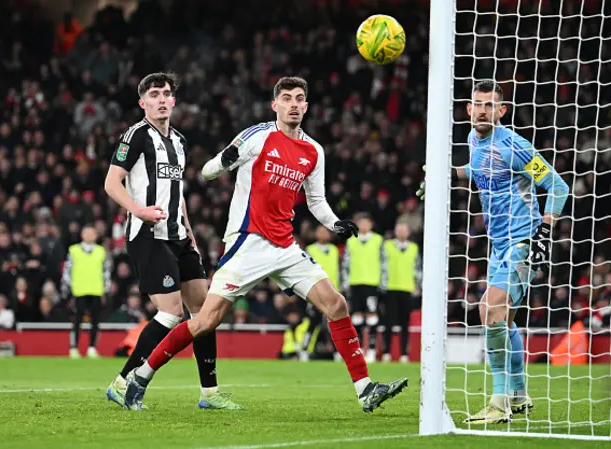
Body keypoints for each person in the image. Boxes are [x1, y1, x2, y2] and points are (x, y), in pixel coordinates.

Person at [124, 76, 408, 412]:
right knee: (205, 321)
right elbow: (208, 171)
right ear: (275, 105)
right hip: (247, 242)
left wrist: (334, 223)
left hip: (285, 246)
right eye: (286, 98)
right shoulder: (257, 136)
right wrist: (226, 159)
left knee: (336, 304)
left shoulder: (313, 151)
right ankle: (141, 377)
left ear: (306, 106)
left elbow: (316, 200)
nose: (293, 105)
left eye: (299, 98)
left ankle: (365, 389)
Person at [417, 80, 569, 424]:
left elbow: (556, 186)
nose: (483, 110)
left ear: (501, 111)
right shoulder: (473, 141)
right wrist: (448, 173)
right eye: (477, 104)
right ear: (468, 109)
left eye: (490, 105)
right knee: (506, 321)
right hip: (498, 245)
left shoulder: (514, 146)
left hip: (523, 242)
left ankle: (499, 404)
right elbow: (479, 171)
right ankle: (518, 394)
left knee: (490, 311)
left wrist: (545, 229)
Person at [103, 72, 241, 410]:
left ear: (174, 100)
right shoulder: (135, 136)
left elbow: (177, 195)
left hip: (179, 236)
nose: (162, 99)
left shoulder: (179, 141)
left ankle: (209, 394)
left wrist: (191, 235)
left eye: (167, 94)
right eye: (154, 94)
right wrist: (139, 210)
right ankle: (122, 383)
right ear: (143, 103)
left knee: (206, 312)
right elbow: (111, 182)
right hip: (147, 235)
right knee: (171, 313)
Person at [341, 213, 385, 362]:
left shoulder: (378, 240)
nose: (364, 226)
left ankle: (371, 350)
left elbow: (384, 262)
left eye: (366, 223)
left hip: (372, 283)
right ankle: (357, 350)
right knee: (357, 317)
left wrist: (383, 283)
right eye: (361, 223)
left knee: (372, 317)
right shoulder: (351, 241)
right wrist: (345, 282)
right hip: (355, 283)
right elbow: (345, 264)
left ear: (371, 225)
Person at [62, 225, 110, 358]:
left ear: (96, 236)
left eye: (92, 233)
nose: (89, 236)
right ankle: (74, 348)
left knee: (95, 320)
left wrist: (105, 290)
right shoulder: (74, 250)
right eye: (87, 233)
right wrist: (69, 287)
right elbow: (67, 270)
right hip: (79, 290)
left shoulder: (101, 251)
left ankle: (92, 348)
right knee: (77, 320)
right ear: (82, 235)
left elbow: (106, 271)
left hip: (96, 290)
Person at [380, 222, 421, 363]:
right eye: (399, 230)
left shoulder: (414, 248)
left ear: (408, 232)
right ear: (395, 232)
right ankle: (386, 353)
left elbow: (417, 268)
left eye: (404, 230)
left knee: (405, 323)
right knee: (389, 322)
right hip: (390, 288)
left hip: (407, 289)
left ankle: (404, 354)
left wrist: (417, 285)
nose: (402, 232)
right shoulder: (387, 246)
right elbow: (382, 266)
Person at [302, 224, 341, 361]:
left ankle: (338, 353)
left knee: (334, 324)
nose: (323, 234)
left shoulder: (334, 250)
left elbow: (338, 271)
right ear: (316, 234)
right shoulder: (310, 249)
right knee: (313, 322)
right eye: (320, 231)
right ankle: (304, 350)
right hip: (316, 291)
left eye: (326, 232)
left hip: (332, 292)